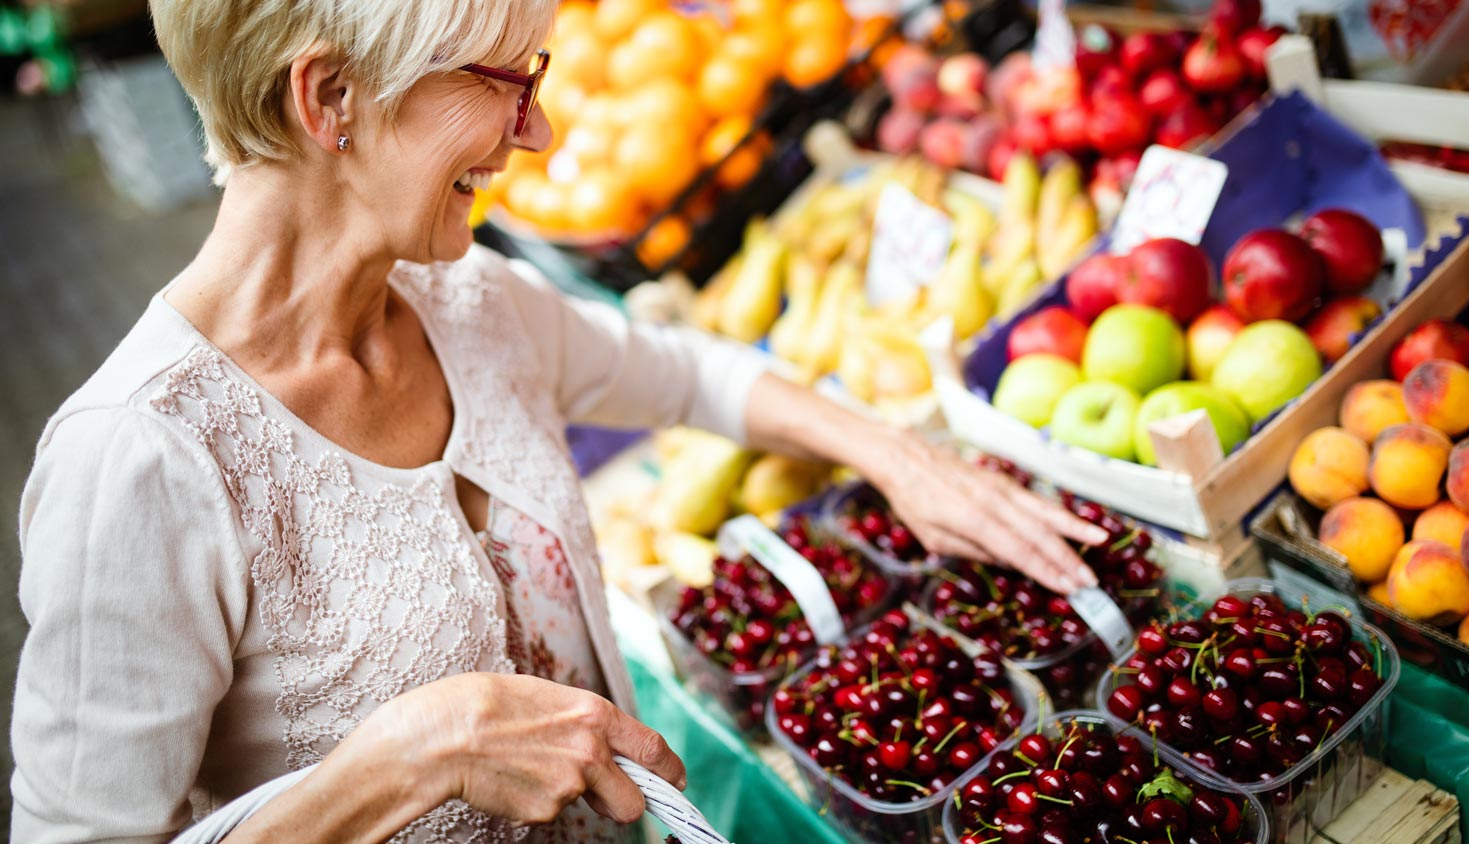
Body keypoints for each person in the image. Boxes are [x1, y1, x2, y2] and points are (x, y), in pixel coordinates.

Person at [10, 0, 1105, 841]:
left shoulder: (470, 302)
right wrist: (408, 759)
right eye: (505, 79)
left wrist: (898, 455)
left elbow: (688, 376)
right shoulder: (142, 459)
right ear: (329, 97)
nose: (540, 129)